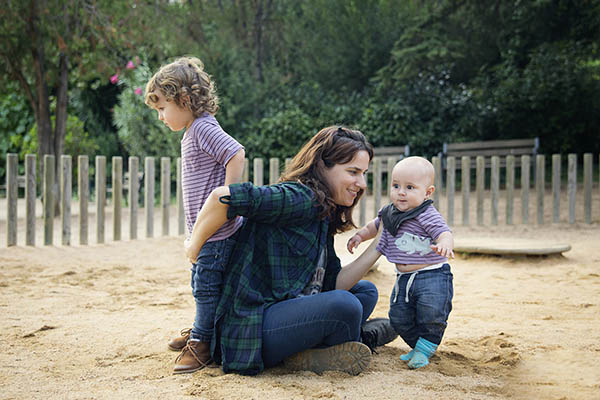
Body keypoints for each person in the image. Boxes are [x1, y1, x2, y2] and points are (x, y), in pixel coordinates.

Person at [184, 126, 397, 376]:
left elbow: (333, 282)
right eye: (353, 172)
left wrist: (379, 243)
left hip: (287, 307)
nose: (361, 183)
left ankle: (315, 351)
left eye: (364, 174)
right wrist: (193, 247)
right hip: (251, 326)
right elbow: (222, 197)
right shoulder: (298, 197)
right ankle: (356, 339)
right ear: (321, 166)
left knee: (365, 292)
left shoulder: (323, 212)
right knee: (346, 306)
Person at [144, 57, 246, 374]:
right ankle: (203, 328)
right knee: (203, 281)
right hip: (206, 229)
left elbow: (236, 152)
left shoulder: (202, 127)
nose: (160, 116)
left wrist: (229, 199)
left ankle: (201, 342)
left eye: (163, 108)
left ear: (184, 100)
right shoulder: (193, 129)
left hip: (217, 229)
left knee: (205, 284)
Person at [347, 156, 454, 369]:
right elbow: (374, 226)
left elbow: (443, 232)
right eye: (396, 186)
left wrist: (445, 244)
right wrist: (360, 235)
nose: (401, 192)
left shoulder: (425, 214)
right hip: (403, 277)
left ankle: (424, 349)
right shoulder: (390, 213)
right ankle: (419, 346)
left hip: (432, 275)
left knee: (431, 313)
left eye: (410, 187)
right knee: (398, 316)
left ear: (428, 192)